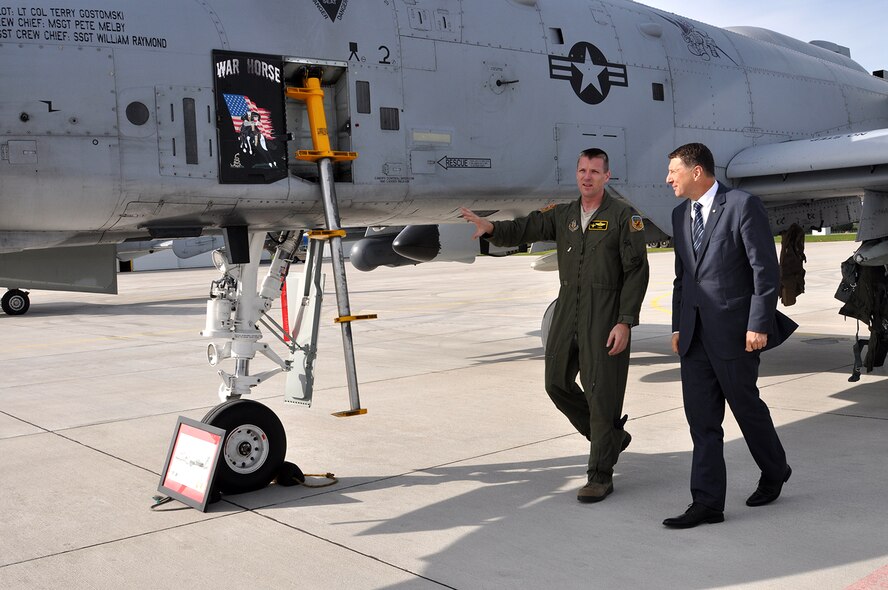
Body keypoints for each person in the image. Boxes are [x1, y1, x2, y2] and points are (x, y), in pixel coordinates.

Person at [460, 148, 650, 503]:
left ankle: (599, 475)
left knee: (600, 391)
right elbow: (525, 227)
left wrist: (625, 322)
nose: (587, 176)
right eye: (582, 170)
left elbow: (637, 271)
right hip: (568, 307)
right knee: (555, 382)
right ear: (576, 174)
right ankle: (609, 438)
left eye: (594, 171)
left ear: (607, 176)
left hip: (605, 312)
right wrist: (491, 229)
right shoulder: (563, 216)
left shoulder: (624, 216)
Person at [663, 143, 796, 529]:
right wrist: (676, 325)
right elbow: (682, 277)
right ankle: (706, 503)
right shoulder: (678, 215)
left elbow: (764, 270)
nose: (669, 178)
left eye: (674, 171)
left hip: (737, 333)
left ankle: (775, 469)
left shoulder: (741, 205)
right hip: (693, 336)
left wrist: (759, 323)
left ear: (698, 172)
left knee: (746, 409)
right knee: (702, 421)